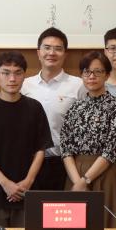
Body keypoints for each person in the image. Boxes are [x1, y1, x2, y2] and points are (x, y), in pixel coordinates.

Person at [0, 51, 52, 228]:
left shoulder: (35, 108)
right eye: (6, 73)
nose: (12, 78)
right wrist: (5, 183)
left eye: (17, 73)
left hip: (27, 191)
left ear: (24, 76)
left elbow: (40, 148)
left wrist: (28, 181)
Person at [60, 51, 116, 228]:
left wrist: (86, 180)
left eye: (98, 72)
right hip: (75, 173)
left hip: (105, 173)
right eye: (87, 72)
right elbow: (66, 148)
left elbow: (112, 148)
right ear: (82, 75)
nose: (91, 76)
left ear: (107, 75)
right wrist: (77, 181)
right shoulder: (74, 108)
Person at [21, 27, 84, 191]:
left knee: (62, 207)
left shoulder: (78, 85)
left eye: (58, 49)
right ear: (38, 52)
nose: (52, 53)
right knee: (32, 207)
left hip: (65, 163)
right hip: (29, 163)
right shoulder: (24, 85)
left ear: (65, 54)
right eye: (47, 48)